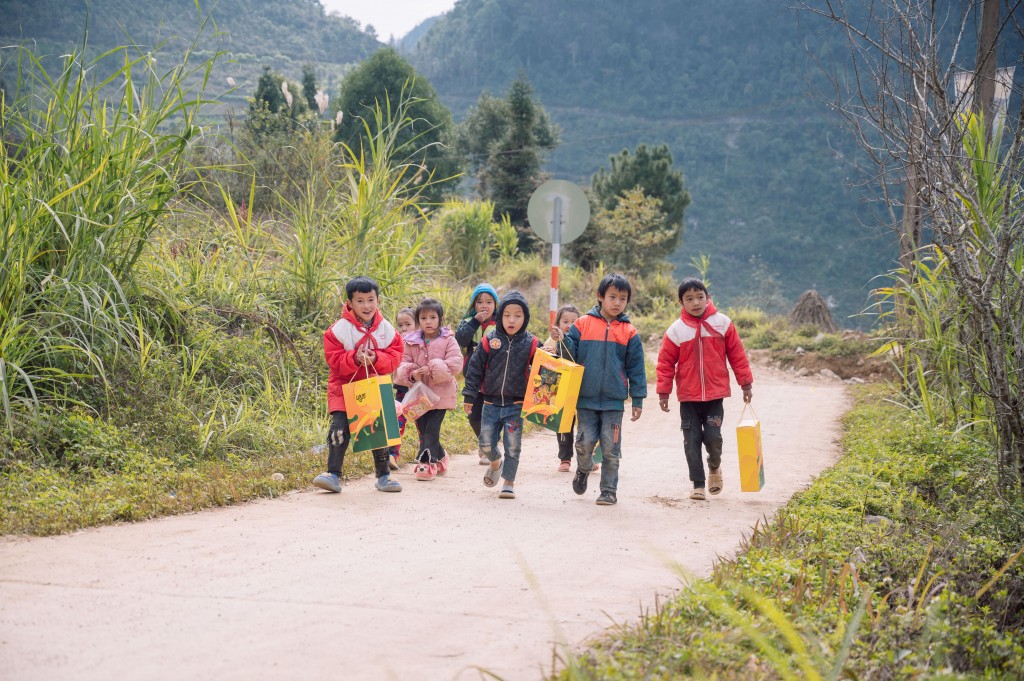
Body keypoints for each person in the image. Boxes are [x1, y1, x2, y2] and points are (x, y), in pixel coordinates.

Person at [656, 277, 753, 501]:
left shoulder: (723, 324)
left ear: (708, 298)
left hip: (714, 396)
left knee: (713, 438)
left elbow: (737, 355)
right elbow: (665, 363)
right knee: (691, 442)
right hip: (688, 397)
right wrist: (664, 392)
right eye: (689, 298)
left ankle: (714, 467)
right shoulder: (676, 331)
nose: (696, 302)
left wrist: (745, 384)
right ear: (681, 302)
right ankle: (698, 484)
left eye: (700, 297)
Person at [556, 273, 646, 506]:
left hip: (614, 402)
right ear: (600, 297)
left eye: (623, 298)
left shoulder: (630, 332)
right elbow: (570, 356)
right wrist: (562, 339)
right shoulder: (582, 324)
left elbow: (636, 368)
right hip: (585, 399)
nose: (617, 302)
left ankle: (608, 490)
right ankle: (583, 468)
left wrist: (638, 399)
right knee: (584, 444)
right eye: (612, 297)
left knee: (610, 448)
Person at [313, 276, 404, 494]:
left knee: (378, 432)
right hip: (344, 388)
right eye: (360, 301)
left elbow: (396, 355)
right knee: (339, 430)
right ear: (350, 303)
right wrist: (354, 358)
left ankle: (384, 476)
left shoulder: (386, 329)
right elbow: (333, 360)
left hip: (374, 386)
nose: (366, 306)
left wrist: (376, 358)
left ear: (378, 300)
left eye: (370, 300)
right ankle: (332, 474)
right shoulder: (338, 330)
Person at [462, 290, 538, 500]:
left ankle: (509, 482)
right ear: (500, 315)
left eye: (518, 315)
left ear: (525, 318)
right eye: (507, 315)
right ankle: (496, 463)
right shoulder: (489, 340)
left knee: (513, 446)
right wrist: (469, 396)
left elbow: (547, 366)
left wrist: (559, 344)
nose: (512, 320)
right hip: (490, 403)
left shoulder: (531, 343)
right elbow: (475, 368)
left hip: (516, 405)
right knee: (485, 444)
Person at [395, 298, 463, 482]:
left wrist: (433, 368)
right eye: (424, 318)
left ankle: (426, 463)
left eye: (433, 317)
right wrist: (412, 373)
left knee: (432, 429)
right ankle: (441, 457)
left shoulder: (448, 340)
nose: (428, 321)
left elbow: (456, 364)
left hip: (441, 395)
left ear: (440, 319)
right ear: (418, 321)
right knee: (424, 430)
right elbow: (402, 363)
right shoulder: (411, 341)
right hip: (420, 396)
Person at [455, 283, 499, 464]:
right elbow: (462, 340)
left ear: (496, 305)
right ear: (474, 305)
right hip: (473, 379)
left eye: (489, 302)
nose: (484, 306)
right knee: (473, 415)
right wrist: (475, 322)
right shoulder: (467, 323)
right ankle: (484, 442)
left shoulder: (501, 324)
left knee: (492, 415)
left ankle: (490, 446)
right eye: (480, 302)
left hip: (493, 379)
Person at [542, 304, 581, 473]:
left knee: (585, 425)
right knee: (564, 424)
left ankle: (588, 457)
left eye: (574, 321)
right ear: (557, 323)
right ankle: (565, 458)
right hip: (561, 388)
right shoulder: (553, 339)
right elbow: (545, 358)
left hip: (580, 388)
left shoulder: (582, 340)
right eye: (565, 321)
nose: (569, 325)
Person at [387, 307, 417, 470]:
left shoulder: (422, 341)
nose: (404, 328)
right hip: (402, 390)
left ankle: (429, 455)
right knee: (397, 421)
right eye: (400, 325)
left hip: (419, 391)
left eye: (408, 324)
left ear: (417, 324)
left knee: (422, 425)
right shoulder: (396, 342)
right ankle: (392, 455)